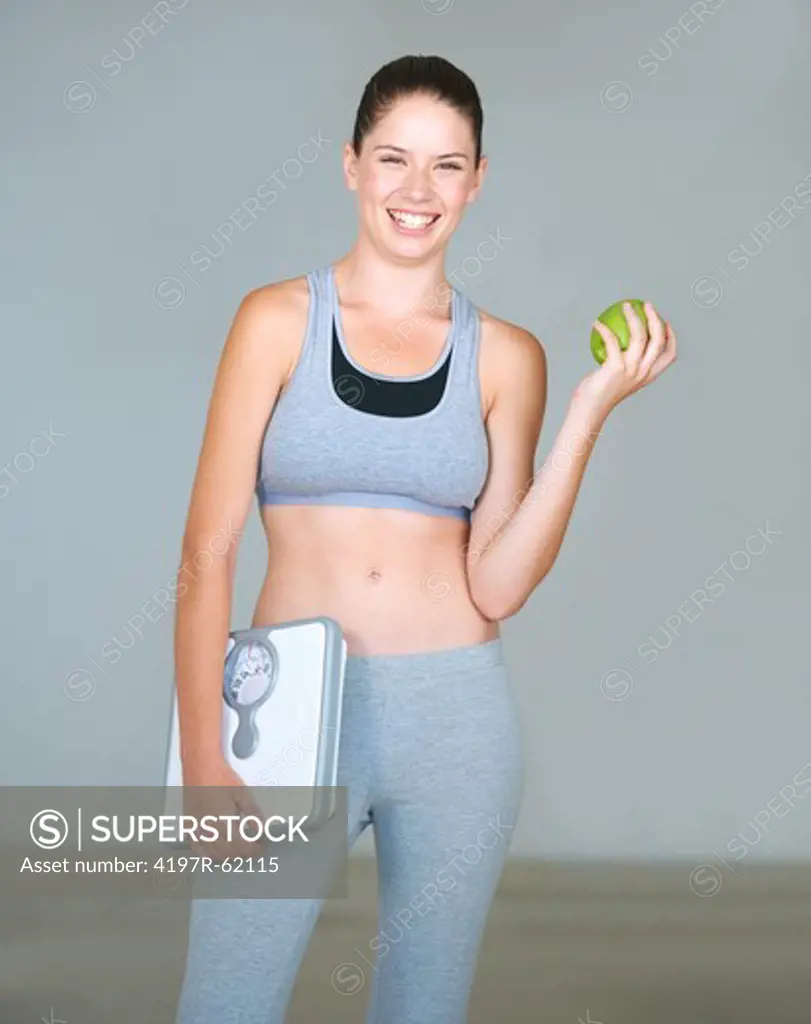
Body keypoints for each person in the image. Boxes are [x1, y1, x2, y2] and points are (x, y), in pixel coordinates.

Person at [172, 53, 676, 1024]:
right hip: (287, 713)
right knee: (225, 1003)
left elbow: (496, 583)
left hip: (455, 716)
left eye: (447, 165)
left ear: (477, 179)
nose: (417, 189)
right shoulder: (275, 322)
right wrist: (204, 750)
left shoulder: (509, 356)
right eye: (394, 158)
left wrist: (586, 413)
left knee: (423, 1004)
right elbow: (206, 553)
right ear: (351, 164)